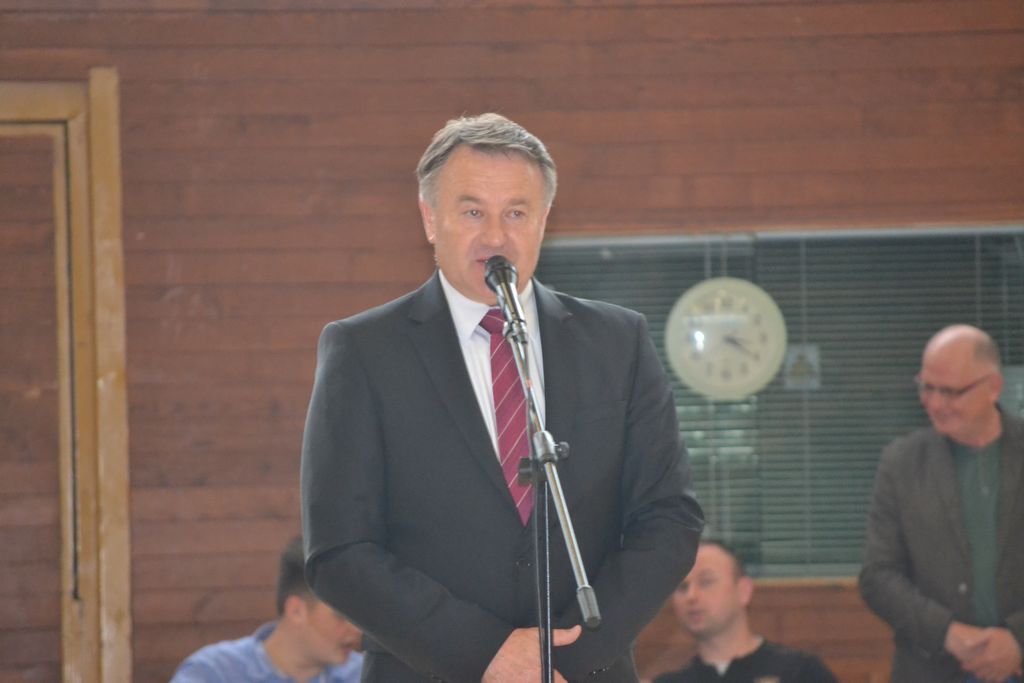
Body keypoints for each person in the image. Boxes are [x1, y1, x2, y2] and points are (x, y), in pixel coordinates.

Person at [300, 112, 704, 682]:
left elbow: (668, 518)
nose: (495, 237)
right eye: (472, 212)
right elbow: (340, 550)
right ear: (429, 219)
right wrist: (486, 652)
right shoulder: (364, 351)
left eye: (516, 212)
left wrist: (564, 658)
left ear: (544, 221)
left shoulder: (619, 342)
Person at [859, 324, 1024, 683]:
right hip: (931, 667)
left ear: (993, 387)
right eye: (927, 387)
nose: (934, 403)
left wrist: (1018, 640)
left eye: (950, 392)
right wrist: (947, 632)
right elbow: (878, 576)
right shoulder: (902, 463)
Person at [169, 536, 363, 683]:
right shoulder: (213, 673)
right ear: (296, 611)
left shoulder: (363, 674)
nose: (356, 629)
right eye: (342, 616)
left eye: (358, 617)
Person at [653, 541, 838, 683]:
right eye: (682, 587)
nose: (691, 596)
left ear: (743, 591)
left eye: (706, 582)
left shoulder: (801, 673)